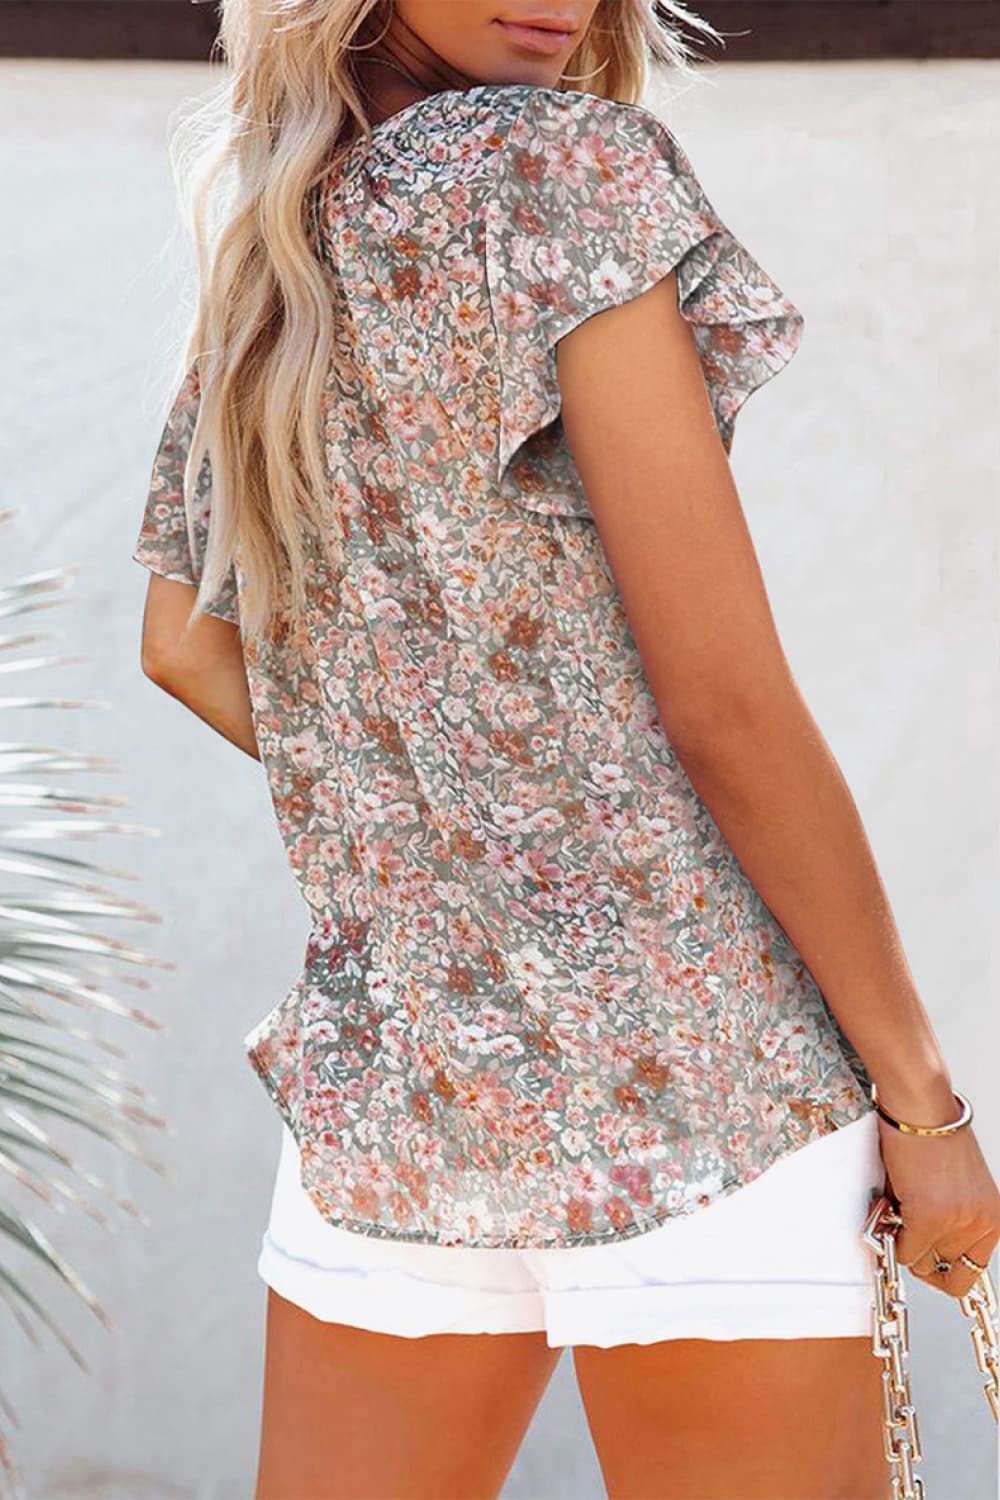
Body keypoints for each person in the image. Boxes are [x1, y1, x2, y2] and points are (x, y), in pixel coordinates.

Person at [131, 1, 1000, 1496]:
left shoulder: (287, 229)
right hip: (702, 1090)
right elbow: (723, 703)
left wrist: (458, 827)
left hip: (404, 1088)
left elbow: (181, 642)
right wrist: (928, 1104)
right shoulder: (562, 168)